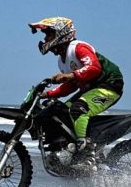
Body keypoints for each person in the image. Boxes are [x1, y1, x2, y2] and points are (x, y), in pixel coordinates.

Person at [29, 17, 124, 170]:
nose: (45, 39)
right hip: (90, 89)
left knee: (78, 109)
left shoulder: (78, 47)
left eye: (48, 35)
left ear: (61, 33)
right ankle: (70, 149)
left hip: (109, 85)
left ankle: (87, 154)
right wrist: (48, 94)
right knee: (60, 111)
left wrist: (70, 75)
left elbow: (94, 68)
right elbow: (71, 86)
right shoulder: (62, 61)